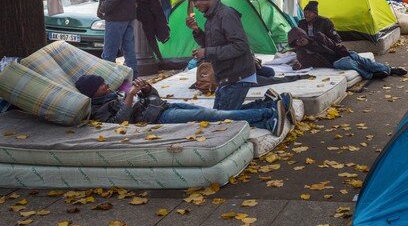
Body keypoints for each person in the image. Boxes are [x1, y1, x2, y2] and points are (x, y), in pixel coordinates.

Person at [75, 74, 290, 137]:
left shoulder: (112, 94)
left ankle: (265, 116)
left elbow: (153, 99)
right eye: (101, 85)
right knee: (213, 115)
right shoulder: (97, 109)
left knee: (213, 112)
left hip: (162, 107)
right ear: (92, 92)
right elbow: (117, 123)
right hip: (158, 118)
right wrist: (130, 97)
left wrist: (147, 89)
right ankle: (267, 112)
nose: (106, 85)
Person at [185, 0, 258, 111]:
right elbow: (210, 44)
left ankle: (269, 110)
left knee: (224, 118)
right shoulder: (210, 19)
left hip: (238, 76)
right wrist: (196, 30)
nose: (194, 5)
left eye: (195, 1)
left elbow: (240, 46)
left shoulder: (226, 15)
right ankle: (268, 106)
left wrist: (206, 52)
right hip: (225, 77)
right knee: (219, 115)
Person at [287, 27, 406, 80]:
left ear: (304, 34)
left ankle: (390, 69)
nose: (300, 40)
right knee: (350, 63)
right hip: (333, 62)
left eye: (301, 37)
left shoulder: (319, 37)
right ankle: (370, 75)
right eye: (297, 40)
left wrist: (344, 51)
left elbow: (334, 45)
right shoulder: (302, 53)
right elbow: (304, 63)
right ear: (295, 44)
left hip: (341, 54)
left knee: (362, 60)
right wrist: (297, 67)